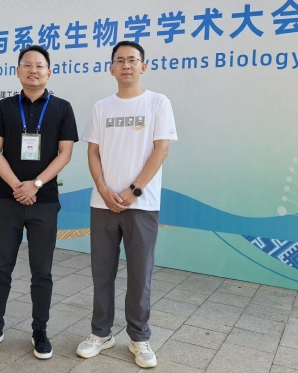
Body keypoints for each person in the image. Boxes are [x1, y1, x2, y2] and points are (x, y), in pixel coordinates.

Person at [77, 41, 178, 368]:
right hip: (103, 204)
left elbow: (161, 149)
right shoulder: (101, 107)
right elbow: (93, 151)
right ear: (111, 68)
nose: (126, 65)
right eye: (119, 61)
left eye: (132, 60)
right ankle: (101, 333)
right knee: (102, 272)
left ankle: (139, 337)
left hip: (142, 205)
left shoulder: (158, 102)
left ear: (143, 66)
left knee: (140, 274)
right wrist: (103, 189)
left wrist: (134, 190)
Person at [0, 45, 78, 360]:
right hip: (7, 201)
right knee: (0, 268)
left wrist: (35, 184)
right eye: (27, 65)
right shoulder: (4, 106)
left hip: (44, 202)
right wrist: (17, 185)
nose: (33, 70)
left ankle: (40, 330)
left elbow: (65, 154)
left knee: (41, 271)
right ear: (18, 71)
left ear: (49, 72)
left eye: (39, 65)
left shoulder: (62, 108)